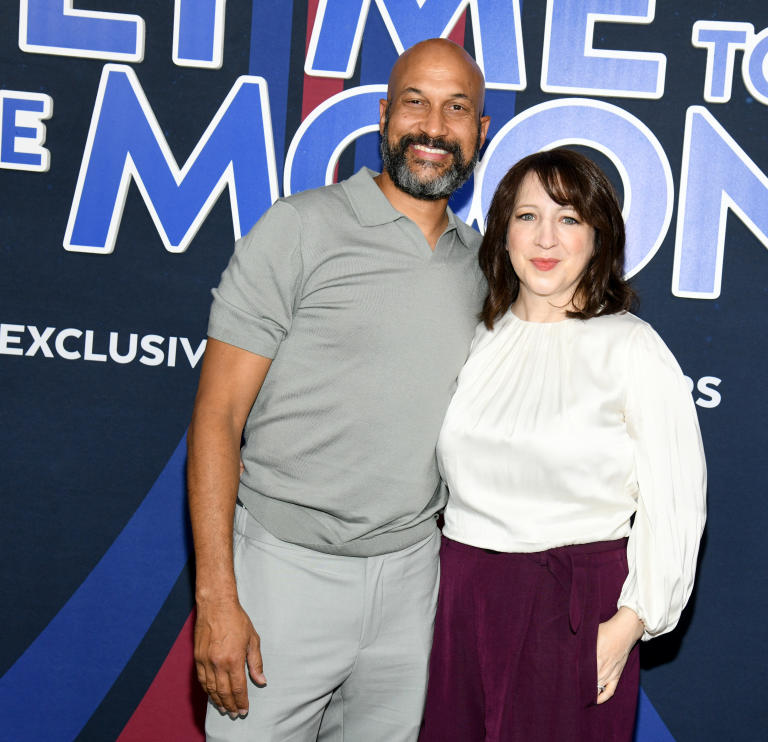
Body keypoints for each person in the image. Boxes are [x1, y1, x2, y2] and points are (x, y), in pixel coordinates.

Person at [187, 38, 490, 742]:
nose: (433, 128)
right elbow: (217, 416)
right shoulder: (299, 229)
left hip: (414, 585)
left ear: (479, 133)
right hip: (282, 575)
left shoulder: (487, 268)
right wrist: (216, 596)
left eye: (457, 110)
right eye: (415, 102)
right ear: (384, 117)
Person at [418, 149, 707, 741]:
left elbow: (675, 503)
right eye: (527, 217)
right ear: (502, 234)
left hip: (576, 609)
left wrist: (629, 623)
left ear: (598, 238)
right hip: (459, 600)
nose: (546, 237)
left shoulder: (631, 348)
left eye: (569, 218)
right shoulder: (477, 338)